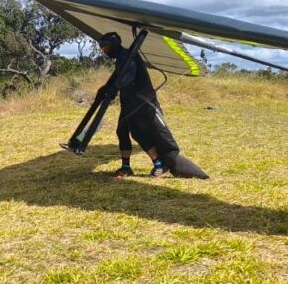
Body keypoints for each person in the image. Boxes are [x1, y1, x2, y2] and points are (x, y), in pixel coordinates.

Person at [61, 31, 208, 178]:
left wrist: (114, 89)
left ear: (113, 46)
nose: (104, 52)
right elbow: (118, 77)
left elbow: (127, 77)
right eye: (102, 49)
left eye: (105, 48)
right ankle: (126, 167)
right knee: (122, 131)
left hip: (142, 102)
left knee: (143, 133)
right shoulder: (121, 57)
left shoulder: (128, 57)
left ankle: (160, 164)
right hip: (129, 102)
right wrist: (105, 89)